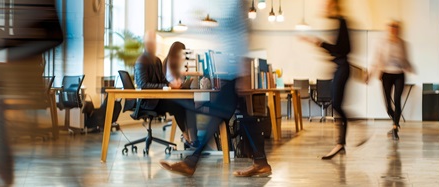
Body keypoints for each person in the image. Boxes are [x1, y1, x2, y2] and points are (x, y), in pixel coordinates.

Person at [159, 0, 272, 177]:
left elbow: (242, 34)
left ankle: (191, 162)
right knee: (238, 117)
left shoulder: (236, 3)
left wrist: (243, 72)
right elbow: (226, 32)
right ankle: (260, 161)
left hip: (235, 71)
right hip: (230, 70)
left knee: (218, 116)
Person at [298, 0, 351, 160]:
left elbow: (344, 50)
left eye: (327, 5)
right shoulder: (337, 24)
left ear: (334, 5)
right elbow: (336, 51)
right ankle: (340, 143)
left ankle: (349, 134)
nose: (324, 8)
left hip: (343, 67)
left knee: (336, 104)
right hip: (339, 67)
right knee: (337, 104)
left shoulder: (342, 22)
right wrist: (319, 44)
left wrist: (319, 42)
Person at [135, 31, 198, 147]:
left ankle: (191, 136)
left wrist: (172, 84)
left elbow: (162, 81)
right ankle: (187, 136)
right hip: (148, 102)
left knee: (186, 102)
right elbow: (143, 85)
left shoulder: (157, 61)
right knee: (178, 104)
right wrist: (167, 86)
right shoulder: (141, 61)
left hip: (158, 99)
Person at [366, 21, 414, 140]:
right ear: (388, 30)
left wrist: (409, 67)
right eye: (391, 29)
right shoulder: (381, 43)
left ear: (398, 30)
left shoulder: (402, 43)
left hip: (399, 74)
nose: (393, 31)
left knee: (397, 100)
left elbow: (405, 59)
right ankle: (395, 120)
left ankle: (394, 128)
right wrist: (370, 74)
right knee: (388, 105)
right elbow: (376, 59)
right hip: (386, 74)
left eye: (395, 29)